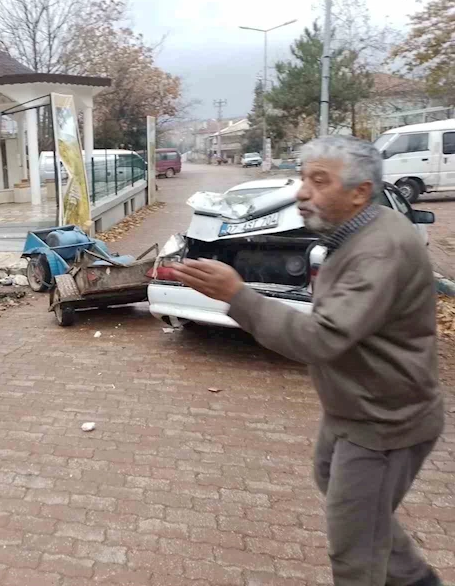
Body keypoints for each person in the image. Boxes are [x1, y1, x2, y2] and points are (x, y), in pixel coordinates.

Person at [168, 135, 443, 586]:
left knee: (355, 551)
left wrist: (238, 295)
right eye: (301, 178)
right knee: (340, 491)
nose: (301, 191)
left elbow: (322, 338)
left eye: (319, 181)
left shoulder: (379, 250)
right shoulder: (353, 232)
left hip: (385, 423)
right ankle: (414, 577)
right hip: (352, 410)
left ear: (360, 192)